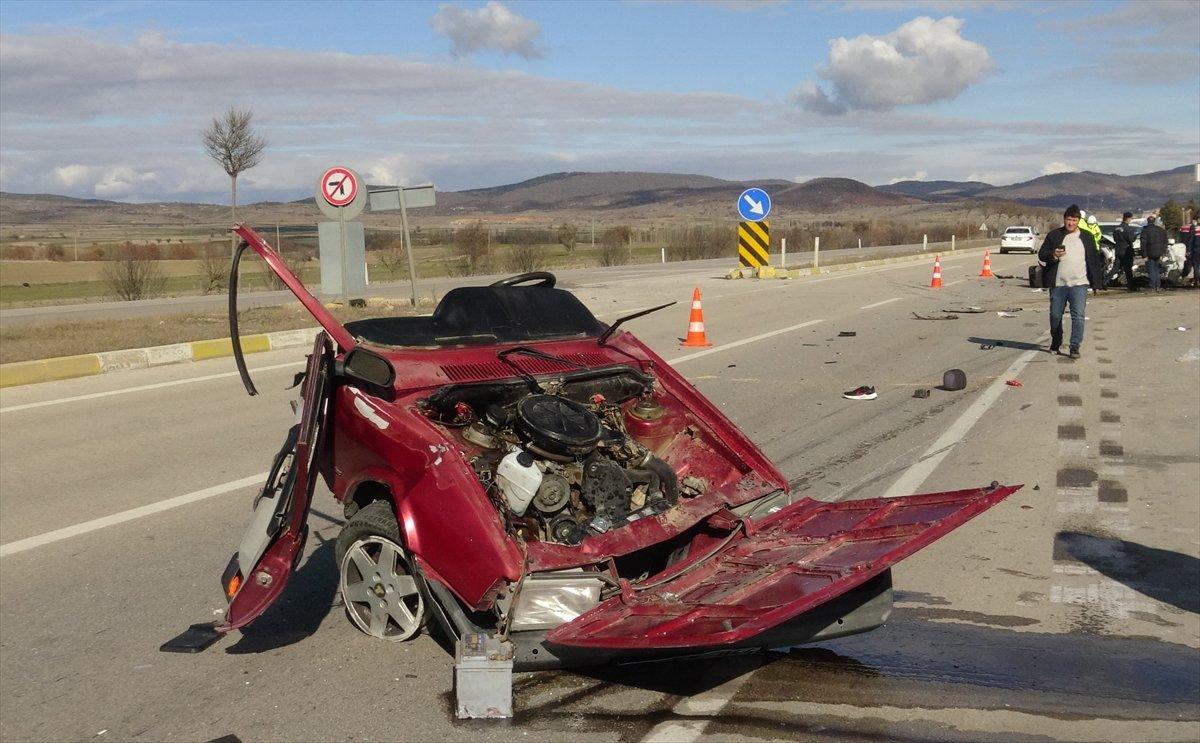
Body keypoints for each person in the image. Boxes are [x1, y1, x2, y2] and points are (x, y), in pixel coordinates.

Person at [1038, 204, 1102, 358]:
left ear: (1078, 221)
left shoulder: (1087, 236)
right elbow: (1042, 254)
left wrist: (1096, 283)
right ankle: (1056, 340)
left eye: (1074, 220)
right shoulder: (1054, 235)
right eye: (1068, 219)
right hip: (1058, 284)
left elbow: (1094, 261)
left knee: (1078, 315)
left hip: (1079, 283)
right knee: (1055, 315)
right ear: (1064, 219)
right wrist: (1053, 254)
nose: (1071, 223)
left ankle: (1074, 347)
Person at [1140, 214, 1169, 293]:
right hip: (1159, 252)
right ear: (1154, 221)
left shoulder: (1145, 231)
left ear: (1147, 222)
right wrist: (1164, 251)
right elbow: (1165, 241)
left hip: (1150, 252)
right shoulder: (1161, 230)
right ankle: (1158, 286)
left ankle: (1152, 286)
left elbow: (1143, 243)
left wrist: (1144, 255)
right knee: (1156, 269)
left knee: (1151, 269)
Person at [1112, 211, 1138, 291]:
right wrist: (1134, 238)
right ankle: (1131, 286)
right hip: (1126, 251)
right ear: (1128, 218)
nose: (1131, 220)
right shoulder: (1128, 229)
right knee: (1128, 269)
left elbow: (1114, 239)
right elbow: (1130, 240)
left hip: (1118, 249)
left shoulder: (1116, 228)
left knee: (1115, 268)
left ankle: (1104, 282)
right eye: (1130, 219)